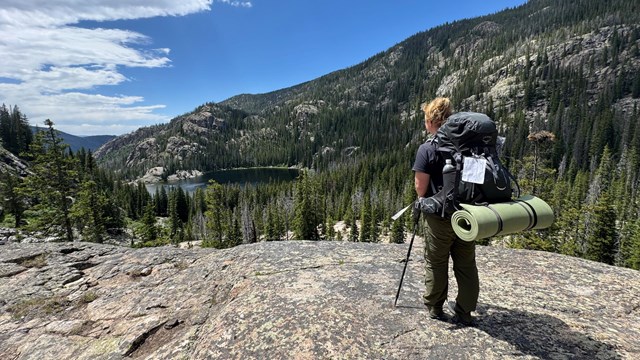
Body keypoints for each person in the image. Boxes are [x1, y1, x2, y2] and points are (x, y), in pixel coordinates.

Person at [412, 97, 479, 325]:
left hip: (439, 216)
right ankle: (465, 312)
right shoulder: (469, 147)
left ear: (432, 121)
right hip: (467, 215)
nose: (424, 124)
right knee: (466, 263)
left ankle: (435, 307)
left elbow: (421, 188)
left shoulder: (427, 149)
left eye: (425, 120)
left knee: (436, 261)